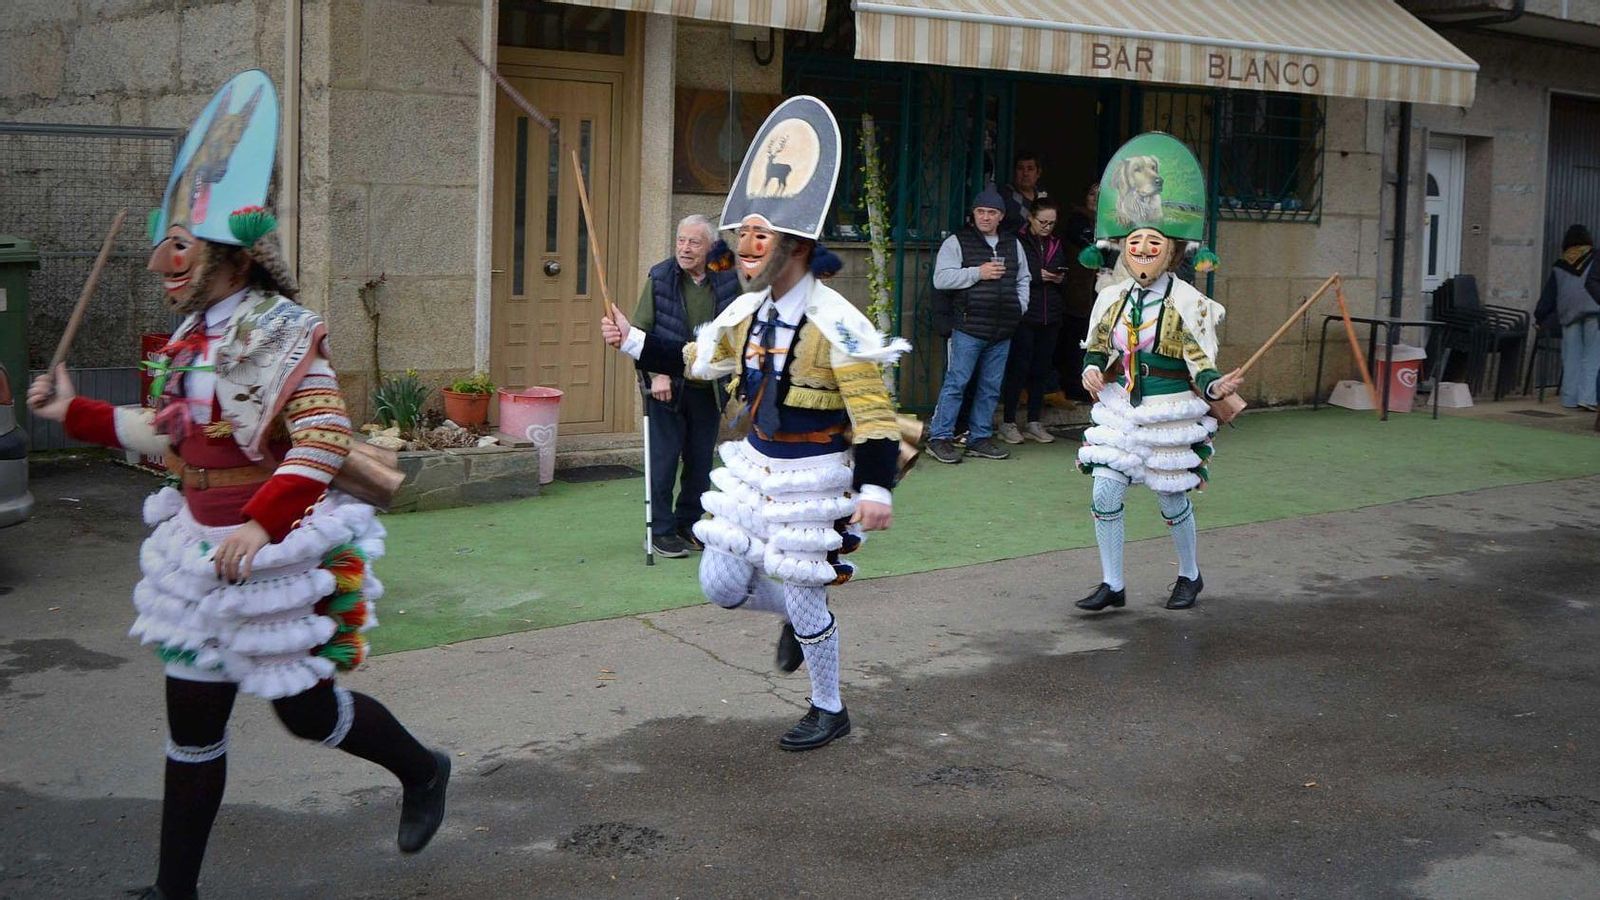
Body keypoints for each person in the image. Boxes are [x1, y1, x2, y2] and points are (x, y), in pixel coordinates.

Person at [27, 71, 449, 900]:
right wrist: (71, 411)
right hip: (194, 551)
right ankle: (172, 890)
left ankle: (423, 768)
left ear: (230, 249)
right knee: (192, 725)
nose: (163, 265)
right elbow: (163, 436)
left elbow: (325, 436)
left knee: (304, 713)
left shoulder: (283, 331)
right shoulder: (189, 334)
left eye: (179, 247)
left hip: (271, 554)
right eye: (164, 244)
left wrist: (261, 524)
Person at [603, 96, 909, 751]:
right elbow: (693, 359)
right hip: (752, 467)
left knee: (802, 592)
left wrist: (877, 489)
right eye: (740, 234)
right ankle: (802, 613)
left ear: (796, 245)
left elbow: (876, 417)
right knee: (719, 582)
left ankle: (829, 707)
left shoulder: (837, 323)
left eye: (758, 235)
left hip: (812, 477)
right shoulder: (744, 313)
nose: (742, 246)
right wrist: (633, 340)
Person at [1073, 132, 1240, 614]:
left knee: (1171, 498)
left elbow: (1200, 363)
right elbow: (1099, 348)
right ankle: (1113, 584)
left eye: (1153, 241)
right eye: (1134, 241)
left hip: (1170, 410)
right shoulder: (1110, 298)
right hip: (1122, 408)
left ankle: (1190, 575)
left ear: (1173, 250)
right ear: (1122, 247)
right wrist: (1090, 369)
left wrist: (1216, 385)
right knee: (1104, 488)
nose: (1142, 248)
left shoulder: (1191, 304)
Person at [633, 215, 741, 557]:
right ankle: (661, 530)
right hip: (667, 386)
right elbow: (640, 332)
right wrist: (657, 374)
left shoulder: (726, 280)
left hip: (708, 386)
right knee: (663, 462)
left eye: (694, 242)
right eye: (681, 240)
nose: (685, 248)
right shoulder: (661, 276)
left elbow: (735, 330)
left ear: (710, 247)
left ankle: (689, 524)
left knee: (699, 462)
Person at [927, 188, 1031, 463]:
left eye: (992, 213)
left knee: (990, 387)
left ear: (1001, 216)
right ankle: (940, 437)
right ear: (973, 214)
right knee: (956, 383)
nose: (986, 217)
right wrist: (978, 272)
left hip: (1003, 328)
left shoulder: (1012, 243)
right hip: (968, 326)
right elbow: (941, 279)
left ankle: (979, 438)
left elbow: (1024, 278)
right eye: (981, 211)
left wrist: (1019, 306)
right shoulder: (956, 242)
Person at [998, 198, 1068, 444]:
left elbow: (1063, 268)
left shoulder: (1056, 242)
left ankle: (1034, 422)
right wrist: (1036, 276)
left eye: (1052, 223)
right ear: (1031, 218)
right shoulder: (1017, 240)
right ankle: (1008, 422)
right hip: (1025, 313)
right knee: (1019, 368)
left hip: (1052, 314)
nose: (1047, 227)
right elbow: (1010, 272)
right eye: (1043, 222)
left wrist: (1060, 277)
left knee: (1041, 369)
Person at [1534, 224, 1600, 411]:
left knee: (1570, 358)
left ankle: (1569, 399)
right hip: (1595, 312)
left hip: (1568, 315)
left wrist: (1540, 318)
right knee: (1592, 357)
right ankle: (1587, 398)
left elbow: (1548, 297)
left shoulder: (1559, 265)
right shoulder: (1595, 258)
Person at [1002, 151, 1049, 234]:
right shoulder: (1005, 196)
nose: (1025, 173)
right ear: (1014, 172)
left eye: (1030, 169)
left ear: (1038, 173)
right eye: (1020, 168)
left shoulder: (1043, 196)